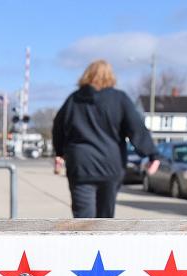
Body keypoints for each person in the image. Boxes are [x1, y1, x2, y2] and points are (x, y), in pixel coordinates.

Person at [52, 59, 159, 218]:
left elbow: (58, 126)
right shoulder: (119, 99)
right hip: (110, 166)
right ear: (110, 77)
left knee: (83, 219)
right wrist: (152, 155)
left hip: (81, 166)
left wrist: (59, 152)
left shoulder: (73, 100)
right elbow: (136, 127)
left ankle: (85, 241)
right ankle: (102, 240)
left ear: (86, 75)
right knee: (105, 218)